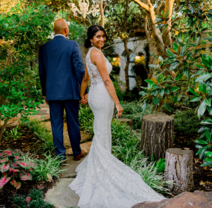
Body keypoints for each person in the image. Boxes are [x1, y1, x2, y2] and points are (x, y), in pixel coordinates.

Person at [69, 25, 165, 208]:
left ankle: (99, 166)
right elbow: (106, 80)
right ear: (91, 38)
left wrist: (83, 95)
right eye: (98, 36)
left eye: (103, 36)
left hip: (95, 95)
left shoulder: (90, 53)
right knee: (103, 132)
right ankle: (102, 170)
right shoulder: (96, 53)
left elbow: (85, 79)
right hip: (102, 96)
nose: (102, 39)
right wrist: (118, 103)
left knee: (101, 131)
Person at [38, 19, 87, 162]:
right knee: (73, 122)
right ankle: (77, 152)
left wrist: (45, 93)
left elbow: (42, 72)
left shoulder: (44, 47)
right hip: (71, 91)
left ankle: (60, 155)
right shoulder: (72, 45)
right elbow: (79, 69)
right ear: (66, 30)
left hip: (53, 93)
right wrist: (84, 90)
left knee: (56, 124)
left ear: (55, 30)